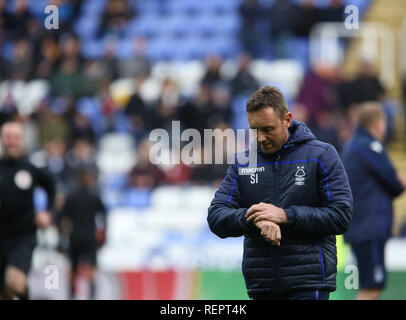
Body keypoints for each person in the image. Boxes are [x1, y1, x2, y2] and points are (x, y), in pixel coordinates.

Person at [207, 86, 353, 300]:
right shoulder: (243, 162)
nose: (261, 138)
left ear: (287, 119)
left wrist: (285, 216)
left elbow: (341, 215)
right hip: (262, 284)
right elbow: (216, 216)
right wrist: (254, 219)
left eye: (268, 129)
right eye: (255, 130)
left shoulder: (322, 155)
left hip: (308, 282)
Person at [342, 102, 405, 300]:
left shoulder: (354, 146)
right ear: (378, 123)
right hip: (369, 228)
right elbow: (394, 182)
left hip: (362, 227)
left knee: (371, 286)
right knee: (372, 287)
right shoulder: (368, 146)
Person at [0, 121, 56, 300]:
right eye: (8, 137)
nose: (12, 142)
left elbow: (51, 186)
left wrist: (47, 212)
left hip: (22, 237)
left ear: (22, 140)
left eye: (15, 137)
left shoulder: (30, 170)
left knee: (14, 282)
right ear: (2, 140)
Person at [59, 165, 107, 300]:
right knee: (86, 269)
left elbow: (63, 219)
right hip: (88, 237)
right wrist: (103, 235)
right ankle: (89, 296)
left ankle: (73, 296)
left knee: (76, 269)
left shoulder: (72, 197)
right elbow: (103, 217)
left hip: (77, 237)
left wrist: (62, 237)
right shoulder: (93, 196)